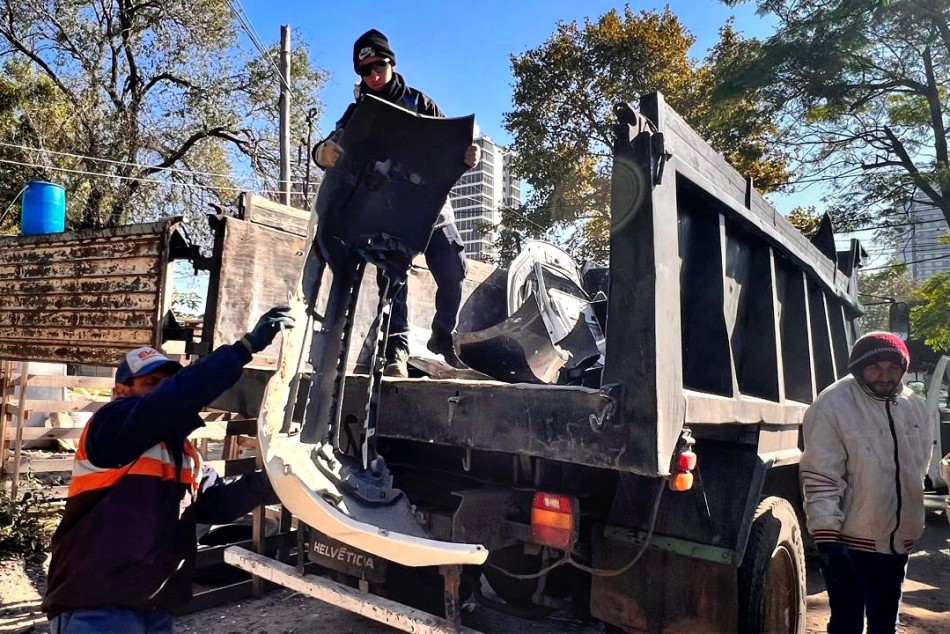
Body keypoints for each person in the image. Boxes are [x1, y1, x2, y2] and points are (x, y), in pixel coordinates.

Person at [42, 306, 295, 634]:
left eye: (168, 382)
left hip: (156, 606)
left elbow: (217, 505)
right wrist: (244, 348)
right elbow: (170, 402)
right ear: (122, 391)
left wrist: (277, 477)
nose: (162, 389)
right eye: (150, 382)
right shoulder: (109, 427)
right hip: (98, 606)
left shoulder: (185, 455)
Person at [312, 28, 479, 377]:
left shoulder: (421, 102)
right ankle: (396, 350)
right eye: (364, 71)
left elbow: (456, 142)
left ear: (392, 64)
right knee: (392, 276)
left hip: (431, 205)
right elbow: (329, 146)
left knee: (454, 271)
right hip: (388, 210)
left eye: (378, 67)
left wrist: (468, 154)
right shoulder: (356, 113)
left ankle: (442, 335)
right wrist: (321, 153)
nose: (373, 76)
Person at [800, 332, 933, 634]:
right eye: (875, 367)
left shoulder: (915, 405)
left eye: (892, 368)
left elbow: (919, 464)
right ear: (859, 368)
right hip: (849, 542)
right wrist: (827, 538)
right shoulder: (832, 405)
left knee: (885, 622)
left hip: (897, 542)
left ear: (904, 369)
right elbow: (821, 476)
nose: (884, 375)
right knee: (846, 623)